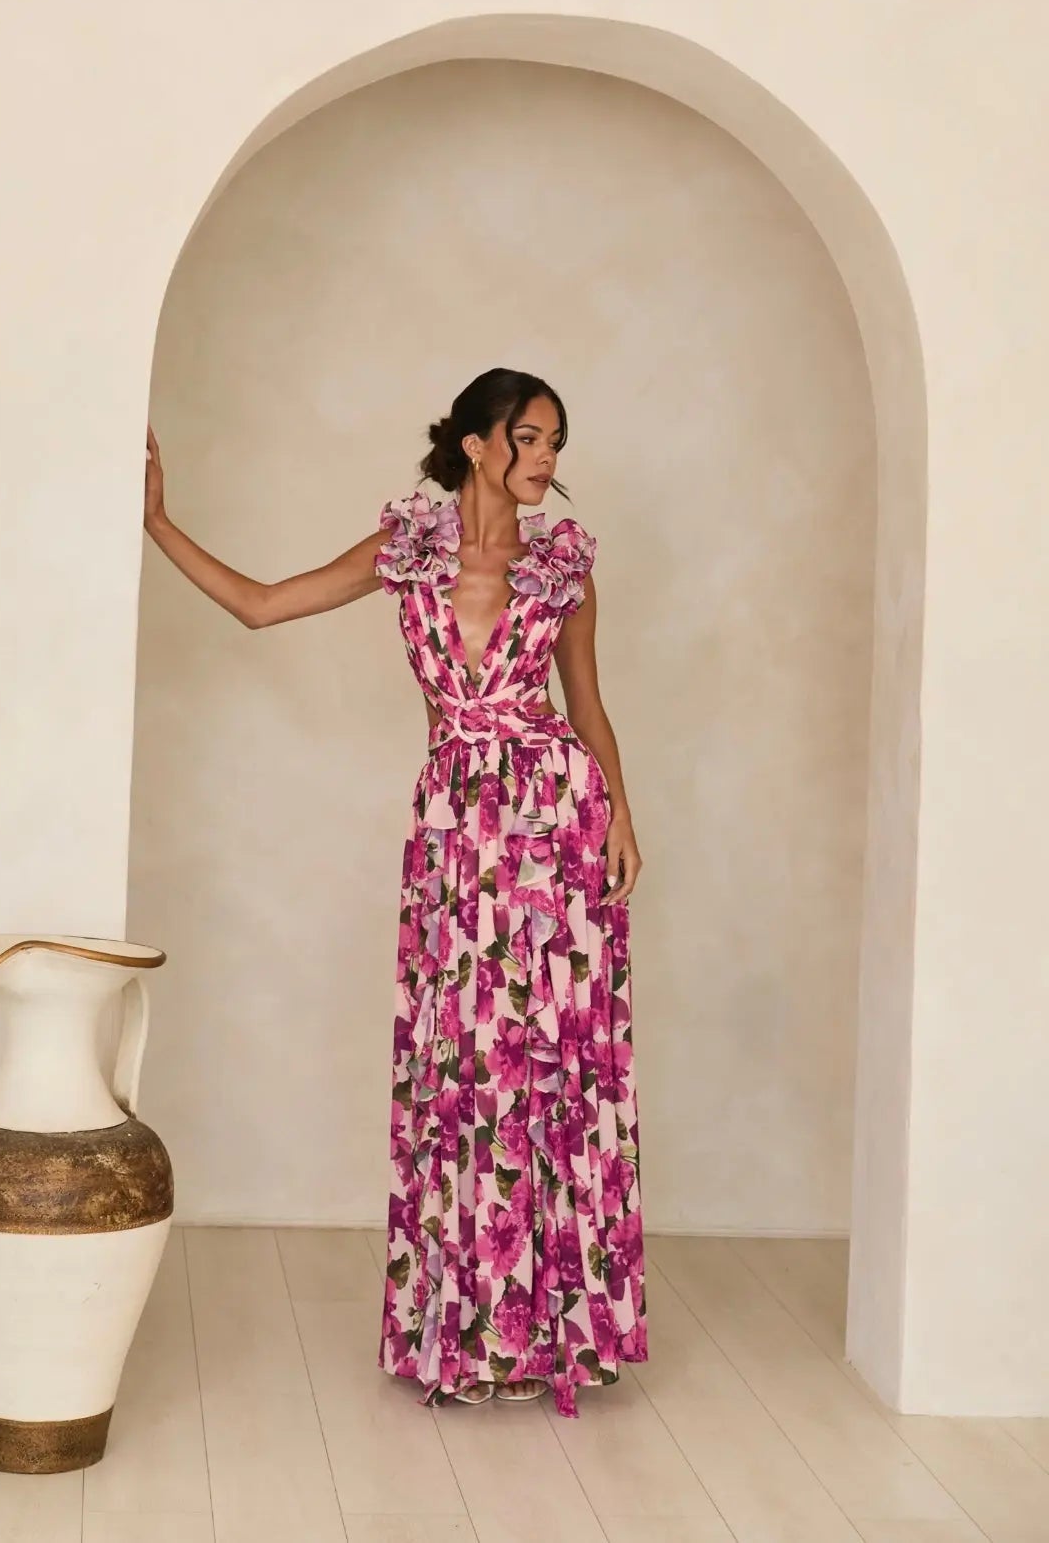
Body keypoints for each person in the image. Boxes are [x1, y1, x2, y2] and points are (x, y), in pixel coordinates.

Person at [143, 366, 647, 1417]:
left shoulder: (563, 567)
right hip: (456, 835)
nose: (550, 457)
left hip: (555, 829)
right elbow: (261, 605)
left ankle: (550, 1335)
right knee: (461, 1068)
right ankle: (466, 1328)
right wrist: (157, 523)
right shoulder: (406, 552)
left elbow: (587, 708)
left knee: (549, 1072)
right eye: (532, 437)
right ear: (477, 444)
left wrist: (623, 818)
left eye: (557, 440)